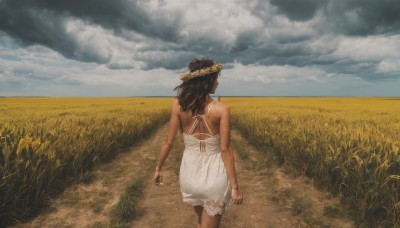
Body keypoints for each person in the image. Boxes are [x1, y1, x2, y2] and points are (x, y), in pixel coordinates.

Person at [153, 58, 243, 228]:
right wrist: (235, 187)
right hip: (214, 176)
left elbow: (168, 142)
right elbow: (225, 149)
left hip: (189, 174)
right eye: (215, 78)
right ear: (207, 82)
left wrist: (158, 168)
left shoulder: (178, 106)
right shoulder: (221, 110)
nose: (217, 82)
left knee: (202, 221)